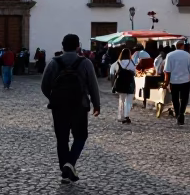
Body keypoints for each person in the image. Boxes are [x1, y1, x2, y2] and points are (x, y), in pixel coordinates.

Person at [40, 34, 101, 182]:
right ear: (77, 46)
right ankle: (70, 164)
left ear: (62, 46)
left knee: (62, 139)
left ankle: (65, 171)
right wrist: (96, 104)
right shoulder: (85, 62)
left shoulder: (53, 62)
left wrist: (53, 97)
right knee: (80, 136)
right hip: (79, 106)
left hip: (59, 106)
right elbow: (93, 85)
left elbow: (44, 85)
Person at [163, 41, 190, 126]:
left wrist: (166, 82)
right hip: (185, 80)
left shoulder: (170, 55)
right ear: (182, 46)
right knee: (184, 98)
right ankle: (182, 113)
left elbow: (167, 70)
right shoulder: (188, 55)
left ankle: (177, 113)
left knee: (175, 98)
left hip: (173, 81)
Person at [110, 46, 138, 123]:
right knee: (128, 101)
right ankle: (127, 116)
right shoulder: (132, 62)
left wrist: (113, 84)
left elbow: (112, 72)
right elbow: (135, 73)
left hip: (120, 83)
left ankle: (121, 116)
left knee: (121, 100)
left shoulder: (117, 62)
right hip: (130, 83)